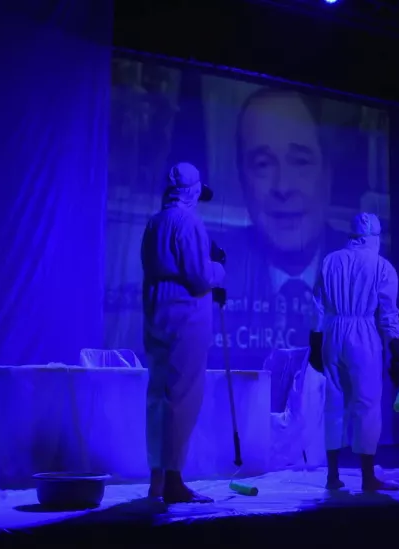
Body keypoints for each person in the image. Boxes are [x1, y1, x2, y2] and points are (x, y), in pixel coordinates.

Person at [208, 87, 349, 369]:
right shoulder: (209, 273)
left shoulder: (363, 273)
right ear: (242, 181)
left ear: (327, 174)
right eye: (263, 164)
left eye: (300, 161)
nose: (283, 186)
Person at [142, 162, 226, 503]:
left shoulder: (155, 221)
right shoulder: (188, 222)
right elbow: (199, 278)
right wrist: (218, 266)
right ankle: (174, 480)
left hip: (157, 308)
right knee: (183, 395)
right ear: (192, 191)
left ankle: (157, 478)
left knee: (157, 395)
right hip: (186, 311)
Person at [308, 213, 399, 491]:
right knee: (367, 404)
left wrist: (315, 340)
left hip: (332, 333)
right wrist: (396, 349)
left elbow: (317, 305)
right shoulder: (382, 266)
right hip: (363, 334)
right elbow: (388, 314)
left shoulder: (330, 260)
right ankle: (367, 477)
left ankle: (332, 475)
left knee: (333, 403)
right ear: (374, 237)